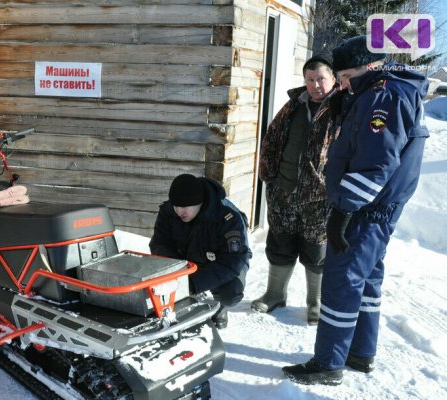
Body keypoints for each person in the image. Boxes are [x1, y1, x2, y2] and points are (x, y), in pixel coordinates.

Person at [283, 35, 429, 385]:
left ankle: (328, 362)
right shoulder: (378, 91)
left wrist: (345, 210)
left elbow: (376, 162)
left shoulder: (383, 97)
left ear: (371, 66)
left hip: (366, 209)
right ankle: (360, 351)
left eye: (346, 76)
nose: (342, 84)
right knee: (365, 279)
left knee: (342, 281)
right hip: (374, 208)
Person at [252, 53, 339, 325]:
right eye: (310, 79)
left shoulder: (342, 109)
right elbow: (271, 139)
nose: (315, 85)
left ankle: (316, 302)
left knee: (317, 252)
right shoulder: (293, 106)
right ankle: (275, 294)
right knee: (279, 244)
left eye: (320, 79)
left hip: (319, 197)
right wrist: (270, 177)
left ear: (333, 79)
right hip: (284, 191)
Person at [149, 174, 251, 329]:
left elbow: (232, 261)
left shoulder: (227, 217)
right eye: (176, 206)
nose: (179, 211)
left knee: (230, 293)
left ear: (199, 202)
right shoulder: (168, 211)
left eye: (184, 207)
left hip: (221, 261)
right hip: (187, 258)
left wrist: (194, 284)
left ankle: (220, 307)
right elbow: (159, 244)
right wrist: (176, 272)